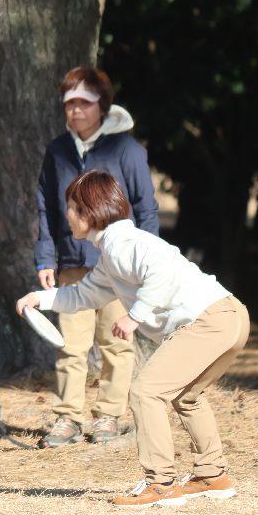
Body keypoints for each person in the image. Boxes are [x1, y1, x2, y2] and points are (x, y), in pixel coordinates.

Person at [17, 170, 248, 509]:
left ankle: (161, 484)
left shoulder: (122, 244)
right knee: (187, 396)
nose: (66, 215)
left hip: (210, 319)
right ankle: (212, 475)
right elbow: (83, 295)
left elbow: (160, 272)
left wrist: (134, 316)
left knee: (145, 391)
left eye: (71, 207)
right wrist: (40, 298)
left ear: (88, 211)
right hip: (232, 316)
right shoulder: (113, 253)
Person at [34, 66, 159, 448]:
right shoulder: (57, 150)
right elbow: (46, 207)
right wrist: (45, 258)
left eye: (84, 102)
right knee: (69, 345)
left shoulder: (127, 150)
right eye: (69, 103)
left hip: (120, 266)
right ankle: (67, 418)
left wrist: (145, 262)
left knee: (116, 342)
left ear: (102, 105)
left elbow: (147, 208)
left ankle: (109, 415)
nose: (75, 110)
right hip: (72, 264)